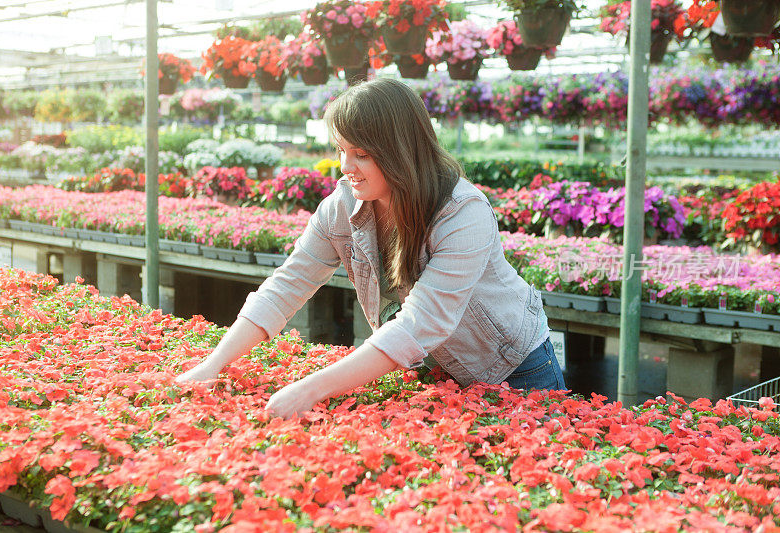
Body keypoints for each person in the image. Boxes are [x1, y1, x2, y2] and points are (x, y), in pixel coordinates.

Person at [176, 78, 566, 417]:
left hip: (513, 367)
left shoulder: (463, 213)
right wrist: (212, 366)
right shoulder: (340, 208)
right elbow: (286, 285)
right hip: (433, 369)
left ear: (402, 151)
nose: (345, 165)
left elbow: (422, 322)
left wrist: (310, 389)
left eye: (361, 154)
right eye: (340, 149)